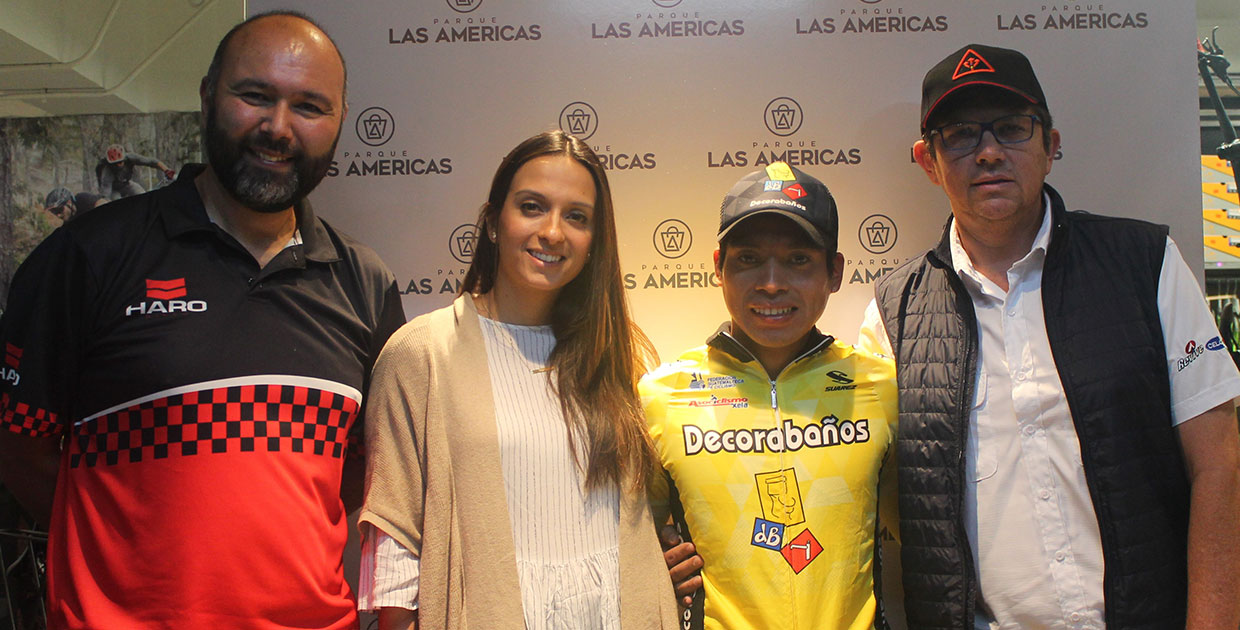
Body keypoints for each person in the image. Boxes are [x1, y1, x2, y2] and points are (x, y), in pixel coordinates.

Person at [0, 11, 405, 630]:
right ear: (208, 95)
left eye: (309, 106)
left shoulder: (364, 284)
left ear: (340, 121)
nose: (278, 128)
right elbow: (21, 448)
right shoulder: (90, 255)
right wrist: (124, 549)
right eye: (255, 95)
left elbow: (358, 475)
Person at [860, 43, 1240, 630]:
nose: (988, 153)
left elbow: (1220, 466)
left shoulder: (1146, 264)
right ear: (927, 162)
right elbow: (849, 487)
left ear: (1051, 146)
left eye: (1011, 129)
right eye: (960, 135)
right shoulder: (892, 314)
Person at [357, 130, 679, 630]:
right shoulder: (421, 353)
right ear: (492, 223)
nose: (553, 232)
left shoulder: (621, 355)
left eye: (577, 217)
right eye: (532, 207)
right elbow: (394, 538)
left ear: (596, 241)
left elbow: (652, 512)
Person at [642, 162, 898, 630]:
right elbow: (629, 543)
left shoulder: (882, 386)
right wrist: (648, 568)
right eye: (749, 259)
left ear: (834, 271)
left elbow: (931, 534)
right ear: (719, 267)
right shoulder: (661, 395)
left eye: (799, 259)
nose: (773, 283)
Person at [95, 143, 177, 199]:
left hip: (127, 184)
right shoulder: (107, 171)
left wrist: (166, 170)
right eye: (115, 163)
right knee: (118, 202)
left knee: (142, 196)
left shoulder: (131, 158)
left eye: (120, 161)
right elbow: (106, 193)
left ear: (124, 158)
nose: (119, 165)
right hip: (114, 190)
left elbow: (152, 162)